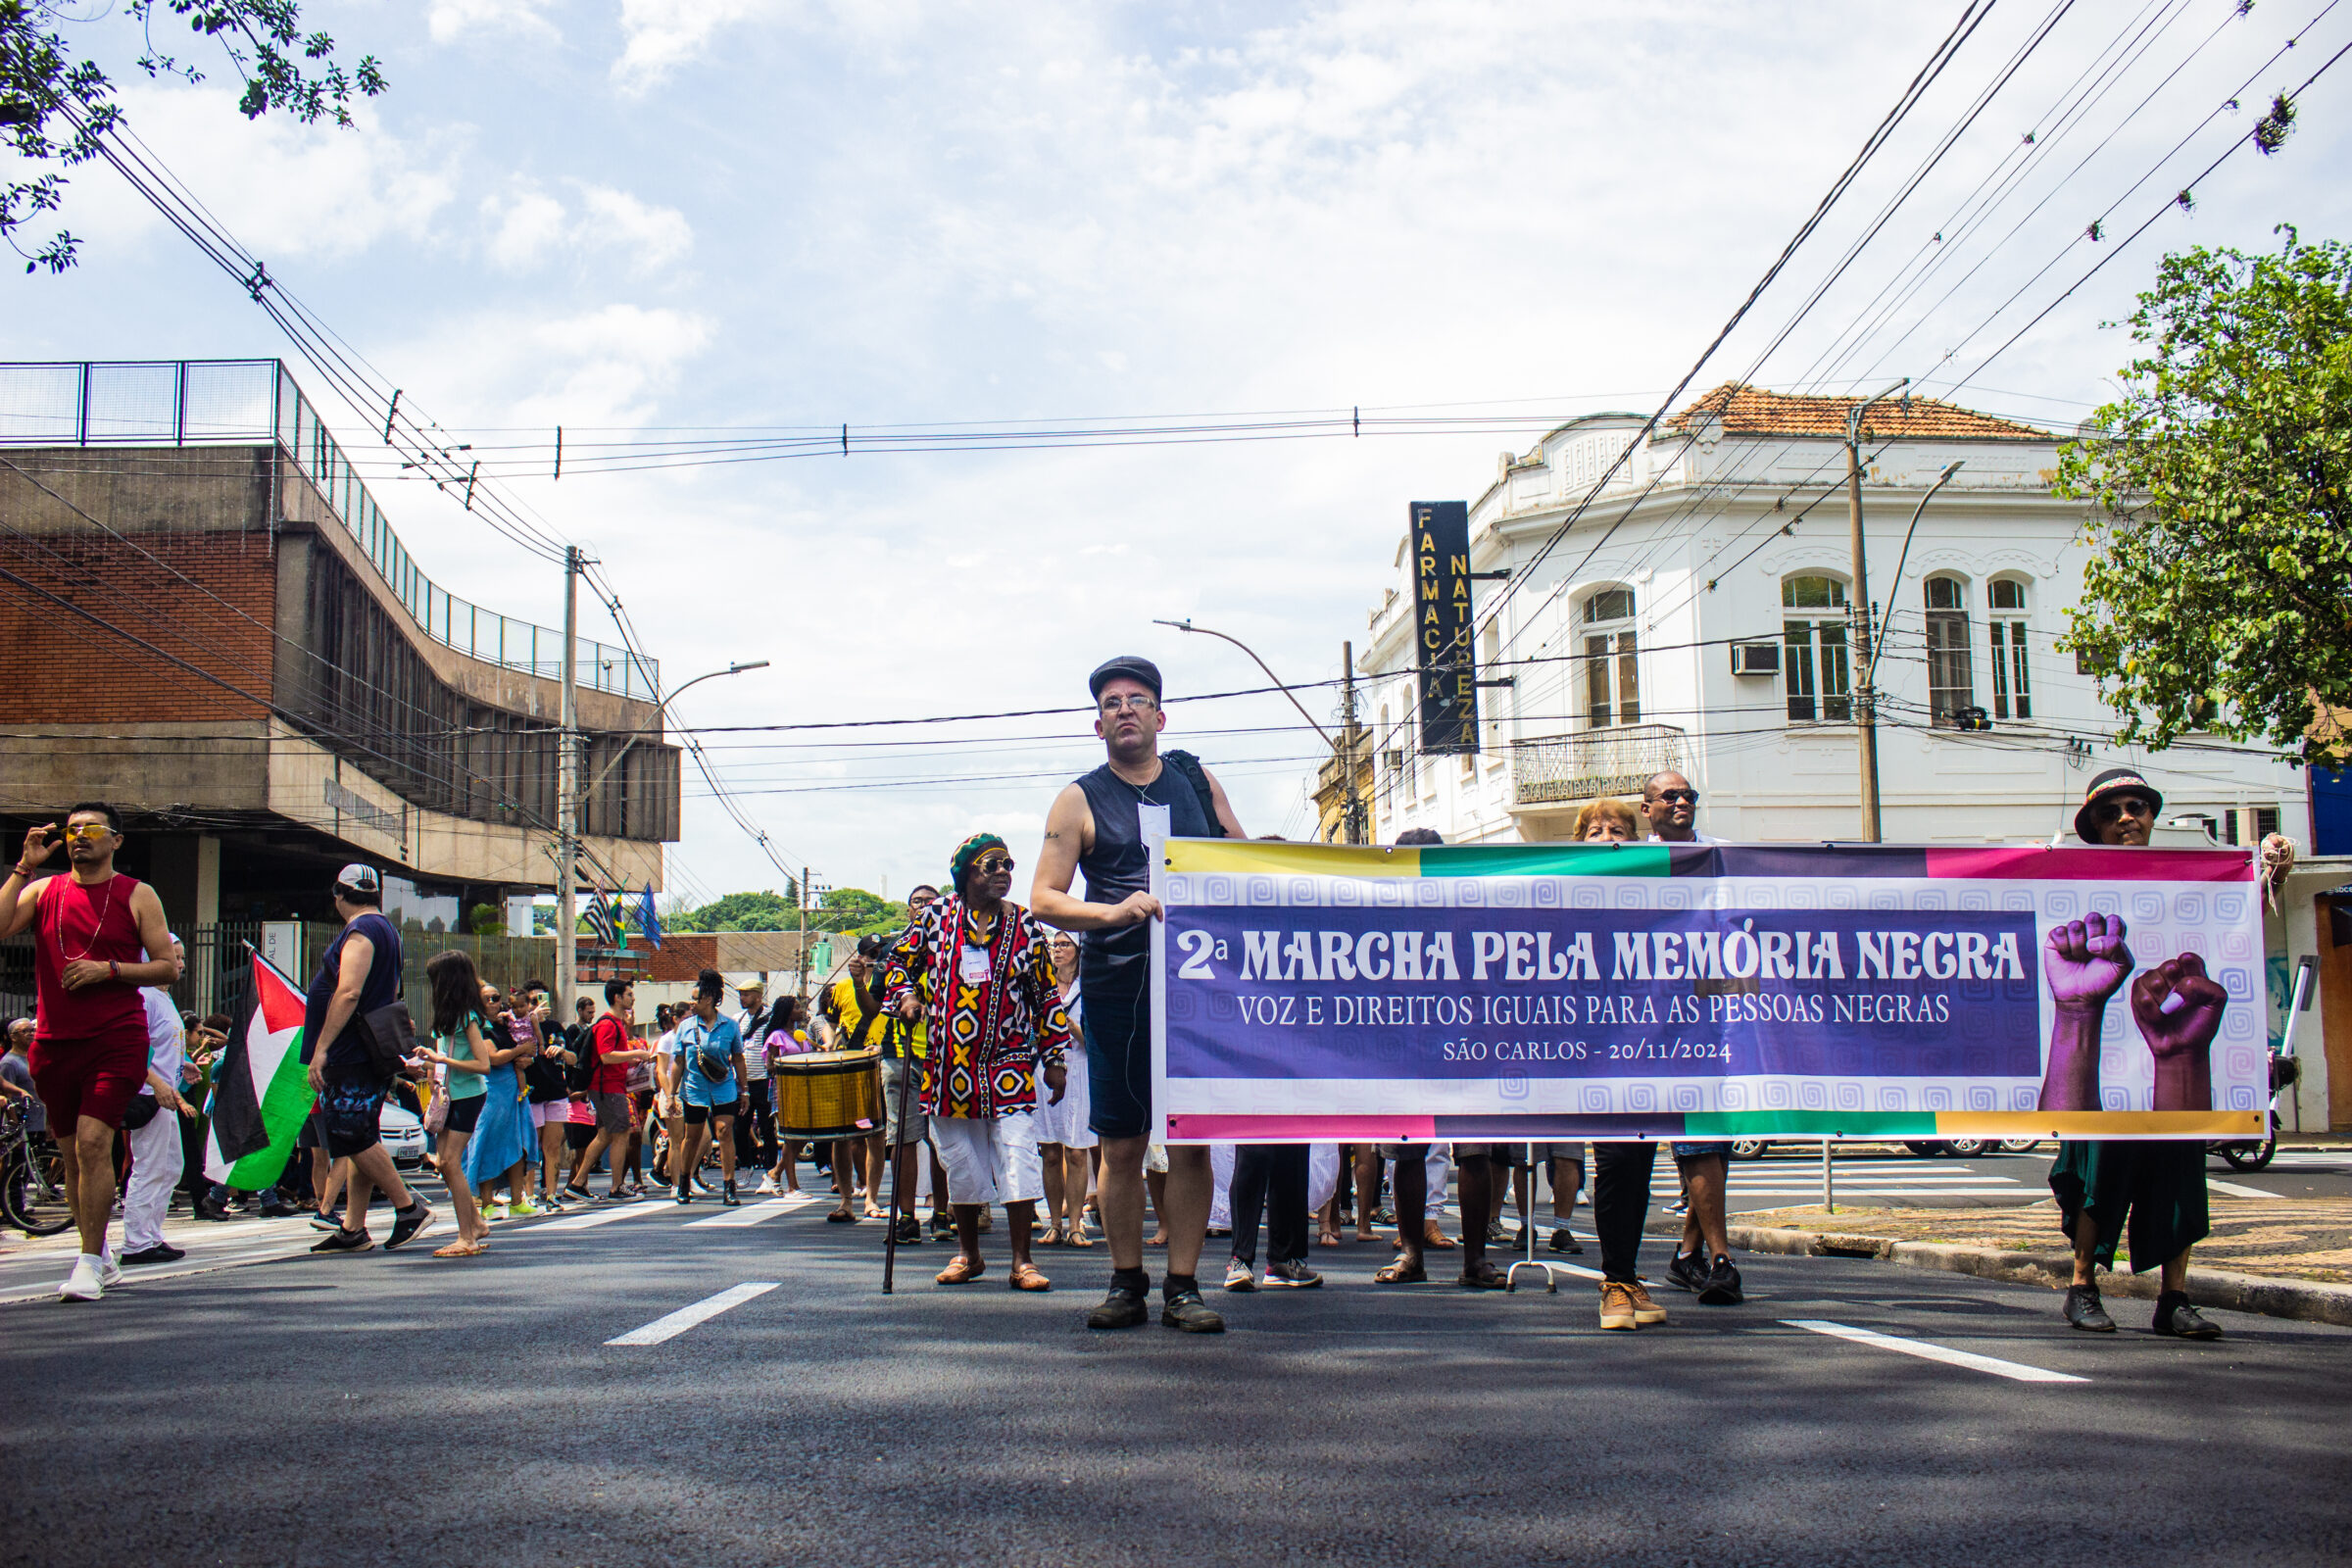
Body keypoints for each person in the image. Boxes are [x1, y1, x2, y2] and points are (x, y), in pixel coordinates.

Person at [1033, 655, 1244, 1333]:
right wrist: (1114, 911)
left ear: (1160, 715)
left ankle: (1183, 1285)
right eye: (1113, 702)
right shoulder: (1079, 798)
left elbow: (1245, 865)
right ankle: (1126, 1282)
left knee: (1190, 1141)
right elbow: (1043, 897)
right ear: (1099, 725)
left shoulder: (1194, 780)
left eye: (1138, 699)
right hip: (1118, 986)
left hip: (1199, 988)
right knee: (1121, 1144)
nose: (1126, 709)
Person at [2044, 767, 2223, 1340]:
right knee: (2099, 1174)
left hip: (2165, 1065)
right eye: (2113, 810)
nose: (2128, 817)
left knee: (2179, 1176)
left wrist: (2265, 874)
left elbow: (2236, 921)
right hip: (2102, 1066)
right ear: (2091, 826)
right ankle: (2081, 1287)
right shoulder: (2068, 885)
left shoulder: (2187, 878)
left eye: (2138, 807)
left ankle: (2175, 1299)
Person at [0, 805, 185, 1298]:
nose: (80, 836)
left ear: (116, 840)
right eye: (72, 829)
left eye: (92, 829)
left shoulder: (137, 894)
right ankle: (99, 1253)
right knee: (73, 1158)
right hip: (55, 1045)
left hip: (117, 1038)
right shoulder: (44, 889)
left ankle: (86, 1262)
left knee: (91, 1142)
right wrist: (24, 868)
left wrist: (109, 970)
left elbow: (168, 968)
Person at [886, 833, 1073, 1292]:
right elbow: (895, 966)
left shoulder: (1027, 926)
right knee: (960, 1161)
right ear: (968, 872)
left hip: (1008, 1063)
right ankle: (968, 1254)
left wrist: (1055, 1058)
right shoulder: (935, 918)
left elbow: (1045, 995)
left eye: (1008, 864)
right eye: (992, 865)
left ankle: (1022, 1261)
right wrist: (907, 995)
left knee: (1018, 1154)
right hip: (949, 1067)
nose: (1004, 872)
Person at [1631, 772, 1745, 1309]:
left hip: (1719, 1012)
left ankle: (1686, 1255)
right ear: (1647, 808)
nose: (1681, 803)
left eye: (1688, 796)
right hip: (1659, 1022)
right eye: (1669, 797)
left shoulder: (1722, 856)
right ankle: (1721, 1260)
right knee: (1697, 1135)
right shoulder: (1629, 863)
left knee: (1716, 1139)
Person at [290, 864, 432, 1256]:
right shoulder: (387, 931)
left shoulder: (361, 931)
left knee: (350, 1132)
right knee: (360, 1134)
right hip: (367, 1049)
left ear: (339, 893)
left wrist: (321, 1048)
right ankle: (353, 1227)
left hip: (351, 1051)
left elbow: (348, 991)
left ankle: (408, 1207)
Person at [120, 939, 200, 1266]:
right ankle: (136, 1241)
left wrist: (184, 1063)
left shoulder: (162, 997)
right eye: (174, 957)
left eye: (181, 958)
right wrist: (155, 1083)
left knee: (169, 1167)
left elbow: (162, 1044)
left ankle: (151, 1235)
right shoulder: (144, 997)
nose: (180, 964)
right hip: (149, 1096)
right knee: (151, 1166)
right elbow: (133, 1048)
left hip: (166, 1096)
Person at [868, 888, 939, 1242]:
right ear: (909, 909)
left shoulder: (952, 946)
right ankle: (907, 1216)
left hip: (943, 1054)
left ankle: (943, 1211)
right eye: (918, 901)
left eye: (932, 901)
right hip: (900, 1051)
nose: (925, 906)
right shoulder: (893, 954)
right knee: (903, 1138)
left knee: (944, 1138)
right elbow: (875, 1003)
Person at [417, 950, 495, 1256]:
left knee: (450, 1162)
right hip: (450, 1094)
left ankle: (467, 1236)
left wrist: (441, 1058)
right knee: (446, 1163)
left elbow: (483, 1064)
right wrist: (426, 1062)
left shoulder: (467, 1017)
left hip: (467, 1095)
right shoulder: (450, 1015)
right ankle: (474, 1224)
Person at [820, 938, 889, 1221]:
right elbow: (830, 1023)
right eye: (866, 953)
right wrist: (828, 1044)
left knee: (876, 1134)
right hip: (847, 1060)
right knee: (841, 1134)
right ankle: (846, 1201)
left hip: (881, 1061)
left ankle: (871, 1198)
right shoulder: (842, 988)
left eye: (876, 953)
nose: (871, 958)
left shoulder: (893, 982)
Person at [566, 980, 654, 1200]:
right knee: (621, 1133)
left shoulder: (615, 1023)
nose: (632, 998)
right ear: (617, 997)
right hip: (608, 1087)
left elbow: (610, 1057)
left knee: (605, 1135)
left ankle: (577, 1184)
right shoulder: (608, 1024)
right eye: (629, 994)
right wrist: (638, 1055)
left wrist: (632, 1062)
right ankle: (616, 1187)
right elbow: (606, 1056)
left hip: (609, 1086)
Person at [1037, 929, 1096, 1248]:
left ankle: (1076, 1223)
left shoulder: (1090, 988)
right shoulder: (1042, 987)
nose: (1058, 950)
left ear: (1077, 949)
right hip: (1046, 1068)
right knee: (1049, 1150)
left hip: (1080, 1067)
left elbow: (1098, 1041)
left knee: (1076, 1150)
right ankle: (1054, 1222)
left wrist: (1075, 1031)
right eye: (1054, 944)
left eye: (1064, 944)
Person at [670, 969, 746, 1206]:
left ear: (710, 999)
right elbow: (678, 1063)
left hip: (724, 1086)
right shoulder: (685, 1027)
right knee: (692, 1136)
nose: (691, 1003)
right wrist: (672, 1094)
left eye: (695, 998)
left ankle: (729, 1186)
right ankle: (684, 1181)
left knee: (724, 1131)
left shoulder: (730, 1026)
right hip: (694, 1088)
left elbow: (739, 1059)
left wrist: (744, 1091)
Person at [732, 980, 775, 1179]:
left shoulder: (770, 1017)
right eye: (741, 994)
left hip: (764, 1080)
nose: (742, 998)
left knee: (767, 1129)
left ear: (758, 995)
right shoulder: (737, 1020)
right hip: (742, 1083)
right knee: (740, 1127)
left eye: (747, 994)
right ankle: (745, 1165)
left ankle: (770, 1170)